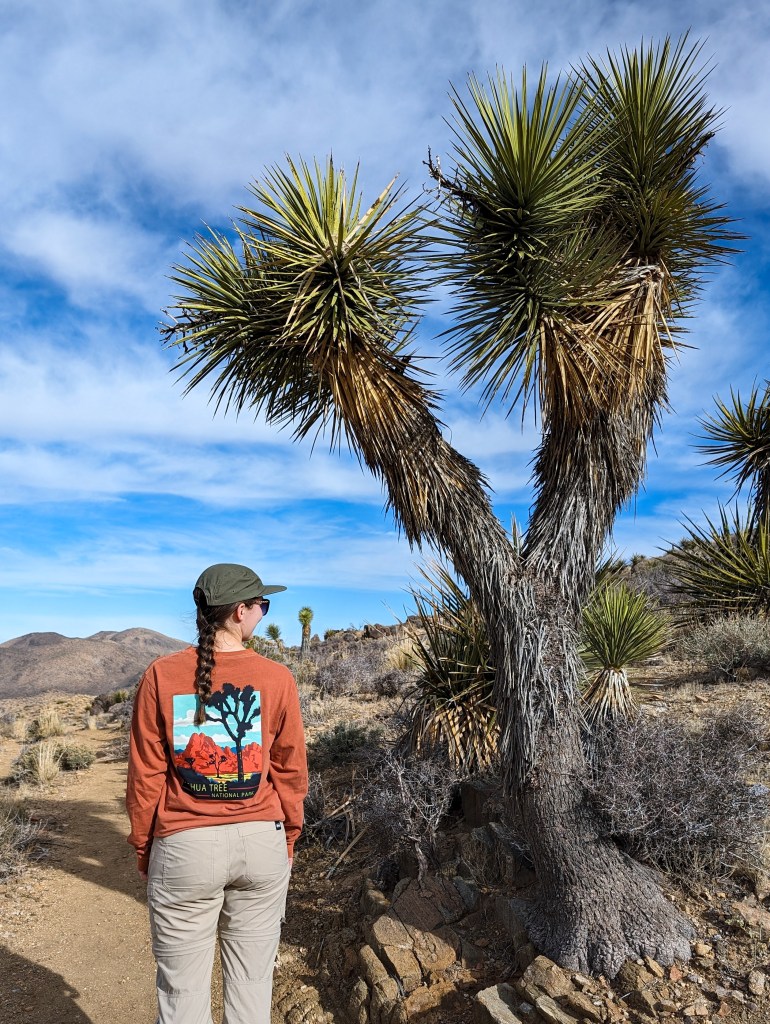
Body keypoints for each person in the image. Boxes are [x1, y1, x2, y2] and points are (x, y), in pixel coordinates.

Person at [126, 562, 308, 1024]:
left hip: (184, 847)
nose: (264, 613)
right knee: (252, 988)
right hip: (261, 844)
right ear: (239, 611)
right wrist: (288, 836)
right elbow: (290, 772)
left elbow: (146, 775)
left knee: (182, 992)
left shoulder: (160, 675)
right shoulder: (277, 678)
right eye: (261, 605)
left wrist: (146, 846)